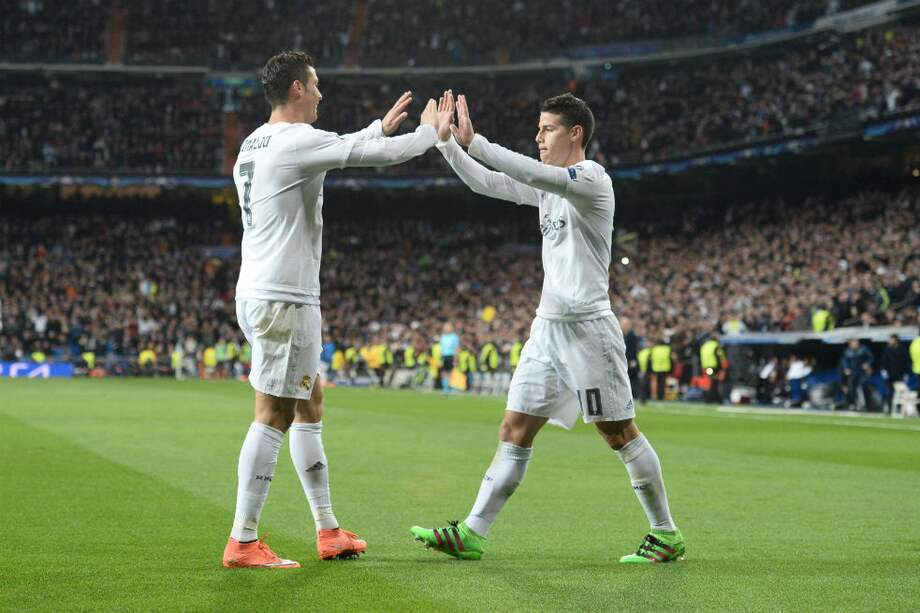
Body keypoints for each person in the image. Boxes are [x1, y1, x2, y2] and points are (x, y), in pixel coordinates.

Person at [411, 91, 683, 564]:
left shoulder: (591, 178)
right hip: (547, 330)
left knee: (618, 432)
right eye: (537, 129)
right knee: (514, 427)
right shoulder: (549, 189)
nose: (538, 137)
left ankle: (666, 534)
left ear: (575, 133)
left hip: (588, 331)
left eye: (547, 129)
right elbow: (487, 183)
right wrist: (447, 144)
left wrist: (477, 141)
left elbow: (533, 173)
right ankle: (472, 532)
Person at [223, 50, 439, 569]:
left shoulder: (253, 143)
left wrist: (376, 128)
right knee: (274, 413)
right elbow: (374, 157)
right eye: (316, 85)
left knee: (309, 403)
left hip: (259, 291)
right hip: (285, 297)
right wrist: (432, 133)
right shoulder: (297, 140)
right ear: (297, 88)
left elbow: (340, 147)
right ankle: (243, 541)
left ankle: (328, 529)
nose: (321, 93)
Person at [839, 338, 874, 411]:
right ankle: (853, 404)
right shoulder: (848, 351)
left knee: (864, 387)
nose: (855, 343)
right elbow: (845, 360)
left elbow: (871, 357)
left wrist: (868, 364)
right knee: (852, 388)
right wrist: (846, 368)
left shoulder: (863, 349)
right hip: (853, 372)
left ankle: (867, 405)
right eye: (853, 342)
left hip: (862, 372)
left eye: (856, 342)